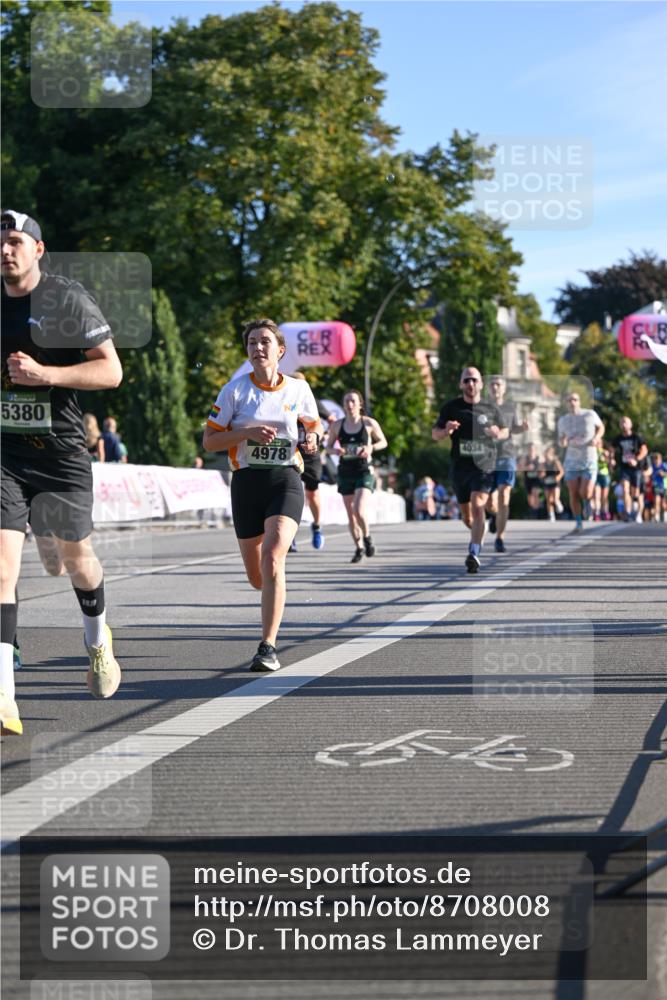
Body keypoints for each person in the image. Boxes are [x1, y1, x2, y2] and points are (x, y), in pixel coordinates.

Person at [1, 209, 123, 736]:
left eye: (13, 242)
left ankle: (97, 639)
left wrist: (45, 374)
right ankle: (4, 695)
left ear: (37, 249)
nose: (5, 251)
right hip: (4, 455)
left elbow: (111, 370)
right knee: (3, 570)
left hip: (60, 455)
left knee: (75, 562)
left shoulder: (65, 299)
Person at [203, 318, 323, 672]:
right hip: (246, 484)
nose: (257, 347)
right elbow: (209, 441)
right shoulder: (234, 391)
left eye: (265, 341)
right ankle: (272, 590)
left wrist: (313, 440)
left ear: (280, 351)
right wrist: (246, 432)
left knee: (273, 557)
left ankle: (267, 646)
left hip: (285, 479)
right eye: (252, 342)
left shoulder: (299, 390)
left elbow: (313, 433)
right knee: (258, 576)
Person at [432, 366, 508, 573]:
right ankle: (487, 521)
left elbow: (505, 431)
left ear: (481, 384)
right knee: (468, 517)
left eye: (474, 380)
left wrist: (497, 433)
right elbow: (434, 434)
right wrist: (445, 431)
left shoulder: (491, 408)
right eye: (466, 380)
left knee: (477, 504)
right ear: (461, 384)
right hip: (460, 468)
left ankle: (474, 552)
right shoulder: (451, 408)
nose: (470, 384)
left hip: (483, 466)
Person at [325, 389, 388, 563]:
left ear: (360, 404)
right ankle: (359, 547)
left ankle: (367, 537)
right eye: (346, 401)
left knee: (358, 509)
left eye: (353, 401)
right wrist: (335, 450)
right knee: (350, 514)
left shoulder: (368, 423)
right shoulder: (337, 425)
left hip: (364, 470)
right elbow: (328, 447)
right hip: (345, 471)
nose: (350, 404)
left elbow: (383, 441)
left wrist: (370, 448)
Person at [484, 375, 529, 552]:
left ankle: (500, 538)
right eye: (493, 384)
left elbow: (514, 428)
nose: (496, 387)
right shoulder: (483, 408)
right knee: (489, 502)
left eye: (499, 385)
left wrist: (522, 428)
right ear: (489, 388)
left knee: (504, 496)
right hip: (487, 458)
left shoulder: (511, 408)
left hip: (506, 455)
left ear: (504, 389)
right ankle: (494, 516)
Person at [557, 390, 605, 534]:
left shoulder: (590, 414)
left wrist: (596, 438)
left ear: (579, 402)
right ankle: (578, 523)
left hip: (589, 458)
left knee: (585, 492)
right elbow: (561, 440)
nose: (572, 402)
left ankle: (587, 501)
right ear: (566, 403)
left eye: (575, 400)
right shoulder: (563, 420)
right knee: (573, 492)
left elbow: (601, 427)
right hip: (571, 460)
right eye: (569, 400)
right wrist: (563, 441)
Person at [289, 372, 325, 552]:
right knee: (291, 496)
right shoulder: (284, 399)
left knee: (312, 495)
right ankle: (288, 536)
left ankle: (317, 526)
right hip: (290, 454)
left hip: (311, 456)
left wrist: (316, 437)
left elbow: (325, 423)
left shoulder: (313, 402)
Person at [613, 416, 648, 523]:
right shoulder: (618, 438)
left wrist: (636, 460)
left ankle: (636, 511)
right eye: (621, 422)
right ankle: (627, 512)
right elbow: (612, 449)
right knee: (625, 489)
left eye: (625, 422)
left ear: (630, 425)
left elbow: (644, 450)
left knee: (636, 492)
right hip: (624, 467)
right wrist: (611, 459)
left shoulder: (636, 437)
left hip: (636, 468)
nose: (623, 424)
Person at [539, 445, 564, 521]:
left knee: (555, 498)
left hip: (555, 482)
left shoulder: (556, 462)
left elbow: (562, 472)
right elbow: (541, 473)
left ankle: (559, 505)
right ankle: (551, 514)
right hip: (547, 482)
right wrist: (541, 474)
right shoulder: (543, 463)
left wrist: (558, 477)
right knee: (549, 499)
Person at [518, 443, 542, 517]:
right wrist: (527, 468)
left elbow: (544, 468)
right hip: (528, 479)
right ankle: (532, 508)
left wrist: (540, 471)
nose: (531, 450)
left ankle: (536, 511)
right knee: (530, 496)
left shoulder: (539, 458)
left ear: (535, 449)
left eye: (533, 449)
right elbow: (519, 468)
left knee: (535, 493)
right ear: (528, 450)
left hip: (536, 479)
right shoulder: (525, 458)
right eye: (530, 449)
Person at [593, 443, 614, 521]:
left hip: (604, 474)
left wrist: (606, 458)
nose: (597, 444)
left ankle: (605, 511)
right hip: (595, 475)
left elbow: (610, 462)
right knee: (596, 496)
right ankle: (597, 512)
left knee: (604, 496)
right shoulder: (592, 452)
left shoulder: (605, 452)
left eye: (599, 442)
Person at [650, 452, 667, 523]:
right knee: (657, 501)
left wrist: (663, 473)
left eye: (657, 459)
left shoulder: (664, 465)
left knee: (663, 503)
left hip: (664, 486)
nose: (656, 461)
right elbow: (649, 474)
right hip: (656, 485)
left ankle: (665, 515)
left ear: (660, 459)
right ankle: (656, 516)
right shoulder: (652, 466)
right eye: (655, 459)